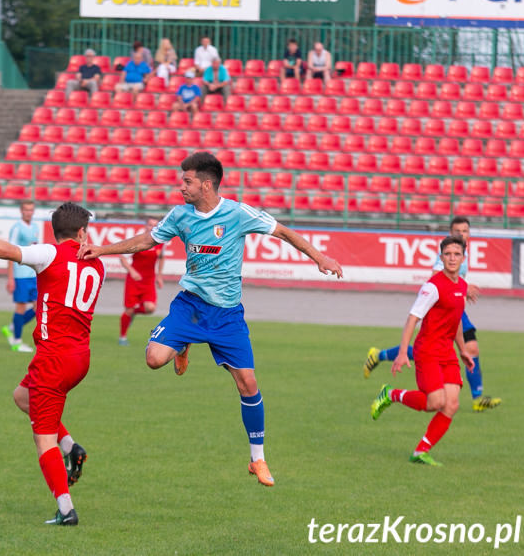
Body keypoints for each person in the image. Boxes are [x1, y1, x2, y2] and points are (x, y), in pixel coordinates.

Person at [78, 152, 343, 487]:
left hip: (227, 315)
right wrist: (101, 250)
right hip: (190, 305)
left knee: (248, 384)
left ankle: (257, 459)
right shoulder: (179, 216)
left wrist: (320, 257)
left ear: (206, 185)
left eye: (186, 181)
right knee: (153, 359)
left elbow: (284, 232)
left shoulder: (237, 213)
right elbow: (146, 241)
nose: (181, 187)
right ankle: (183, 342)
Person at [0, 202, 105, 526]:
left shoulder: (51, 254)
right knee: (22, 397)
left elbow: (7, 251)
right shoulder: (97, 265)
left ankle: (66, 509)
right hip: (81, 357)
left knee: (43, 439)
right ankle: (72, 448)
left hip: (54, 359)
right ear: (81, 232)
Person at [363, 217, 501, 412]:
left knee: (469, 348)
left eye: (465, 231)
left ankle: (477, 397)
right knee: (433, 349)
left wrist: (461, 289)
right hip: (443, 304)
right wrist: (461, 287)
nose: (461, 234)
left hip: (455, 304)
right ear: (450, 233)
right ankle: (382, 356)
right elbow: (438, 277)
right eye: (457, 231)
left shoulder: (464, 252)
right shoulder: (447, 255)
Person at [370, 236, 476, 467]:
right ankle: (390, 394)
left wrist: (463, 350)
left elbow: (455, 319)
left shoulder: (462, 286)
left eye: (456, 254)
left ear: (463, 259)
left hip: (447, 352)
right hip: (427, 350)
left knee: (452, 404)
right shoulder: (432, 286)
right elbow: (412, 319)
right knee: (435, 402)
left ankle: (420, 451)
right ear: (441, 257)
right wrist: (400, 353)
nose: (452, 258)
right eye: (447, 254)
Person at [118, 218, 165, 346]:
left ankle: (132, 314)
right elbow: (122, 257)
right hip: (134, 280)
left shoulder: (159, 243)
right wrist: (131, 271)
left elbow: (161, 258)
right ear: (145, 226)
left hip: (149, 281)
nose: (152, 227)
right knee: (128, 310)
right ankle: (122, 337)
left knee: (150, 308)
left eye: (155, 226)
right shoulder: (137, 241)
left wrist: (159, 276)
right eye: (150, 224)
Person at [2, 200, 39, 353]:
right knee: (21, 307)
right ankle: (16, 342)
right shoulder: (17, 229)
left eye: (31, 210)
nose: (29, 212)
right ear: (21, 211)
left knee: (39, 308)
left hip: (32, 274)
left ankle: (12, 327)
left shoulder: (36, 227)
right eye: (26, 210)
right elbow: (10, 253)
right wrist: (10, 278)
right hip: (20, 275)